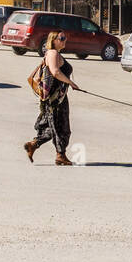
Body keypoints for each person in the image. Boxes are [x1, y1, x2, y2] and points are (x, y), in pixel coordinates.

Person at [24, 31, 79, 165]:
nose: (65, 40)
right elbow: (55, 71)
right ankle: (60, 155)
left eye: (65, 37)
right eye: (62, 38)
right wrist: (70, 82)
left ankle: (33, 144)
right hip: (55, 99)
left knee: (52, 125)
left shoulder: (53, 53)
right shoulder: (53, 53)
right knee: (62, 127)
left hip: (56, 97)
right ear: (53, 40)